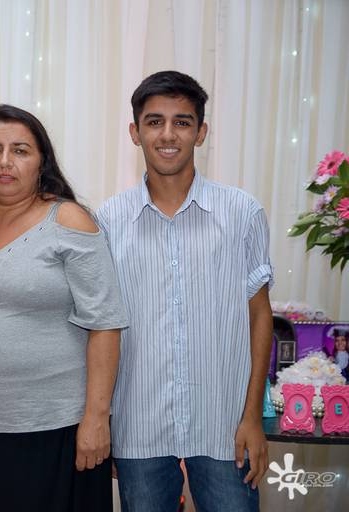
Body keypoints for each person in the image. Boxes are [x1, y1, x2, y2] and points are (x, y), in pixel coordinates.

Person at [95, 71, 274, 511]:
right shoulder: (108, 221)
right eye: (154, 122)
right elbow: (101, 329)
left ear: (201, 132)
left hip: (225, 426)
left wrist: (253, 416)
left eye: (182, 122)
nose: (168, 134)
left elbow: (259, 316)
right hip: (139, 427)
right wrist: (104, 419)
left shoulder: (242, 212)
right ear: (135, 132)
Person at [0, 104, 128, 511]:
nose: (5, 161)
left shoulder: (68, 220)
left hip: (60, 427)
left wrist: (97, 418)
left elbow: (105, 324)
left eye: (20, 150)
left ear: (41, 161)